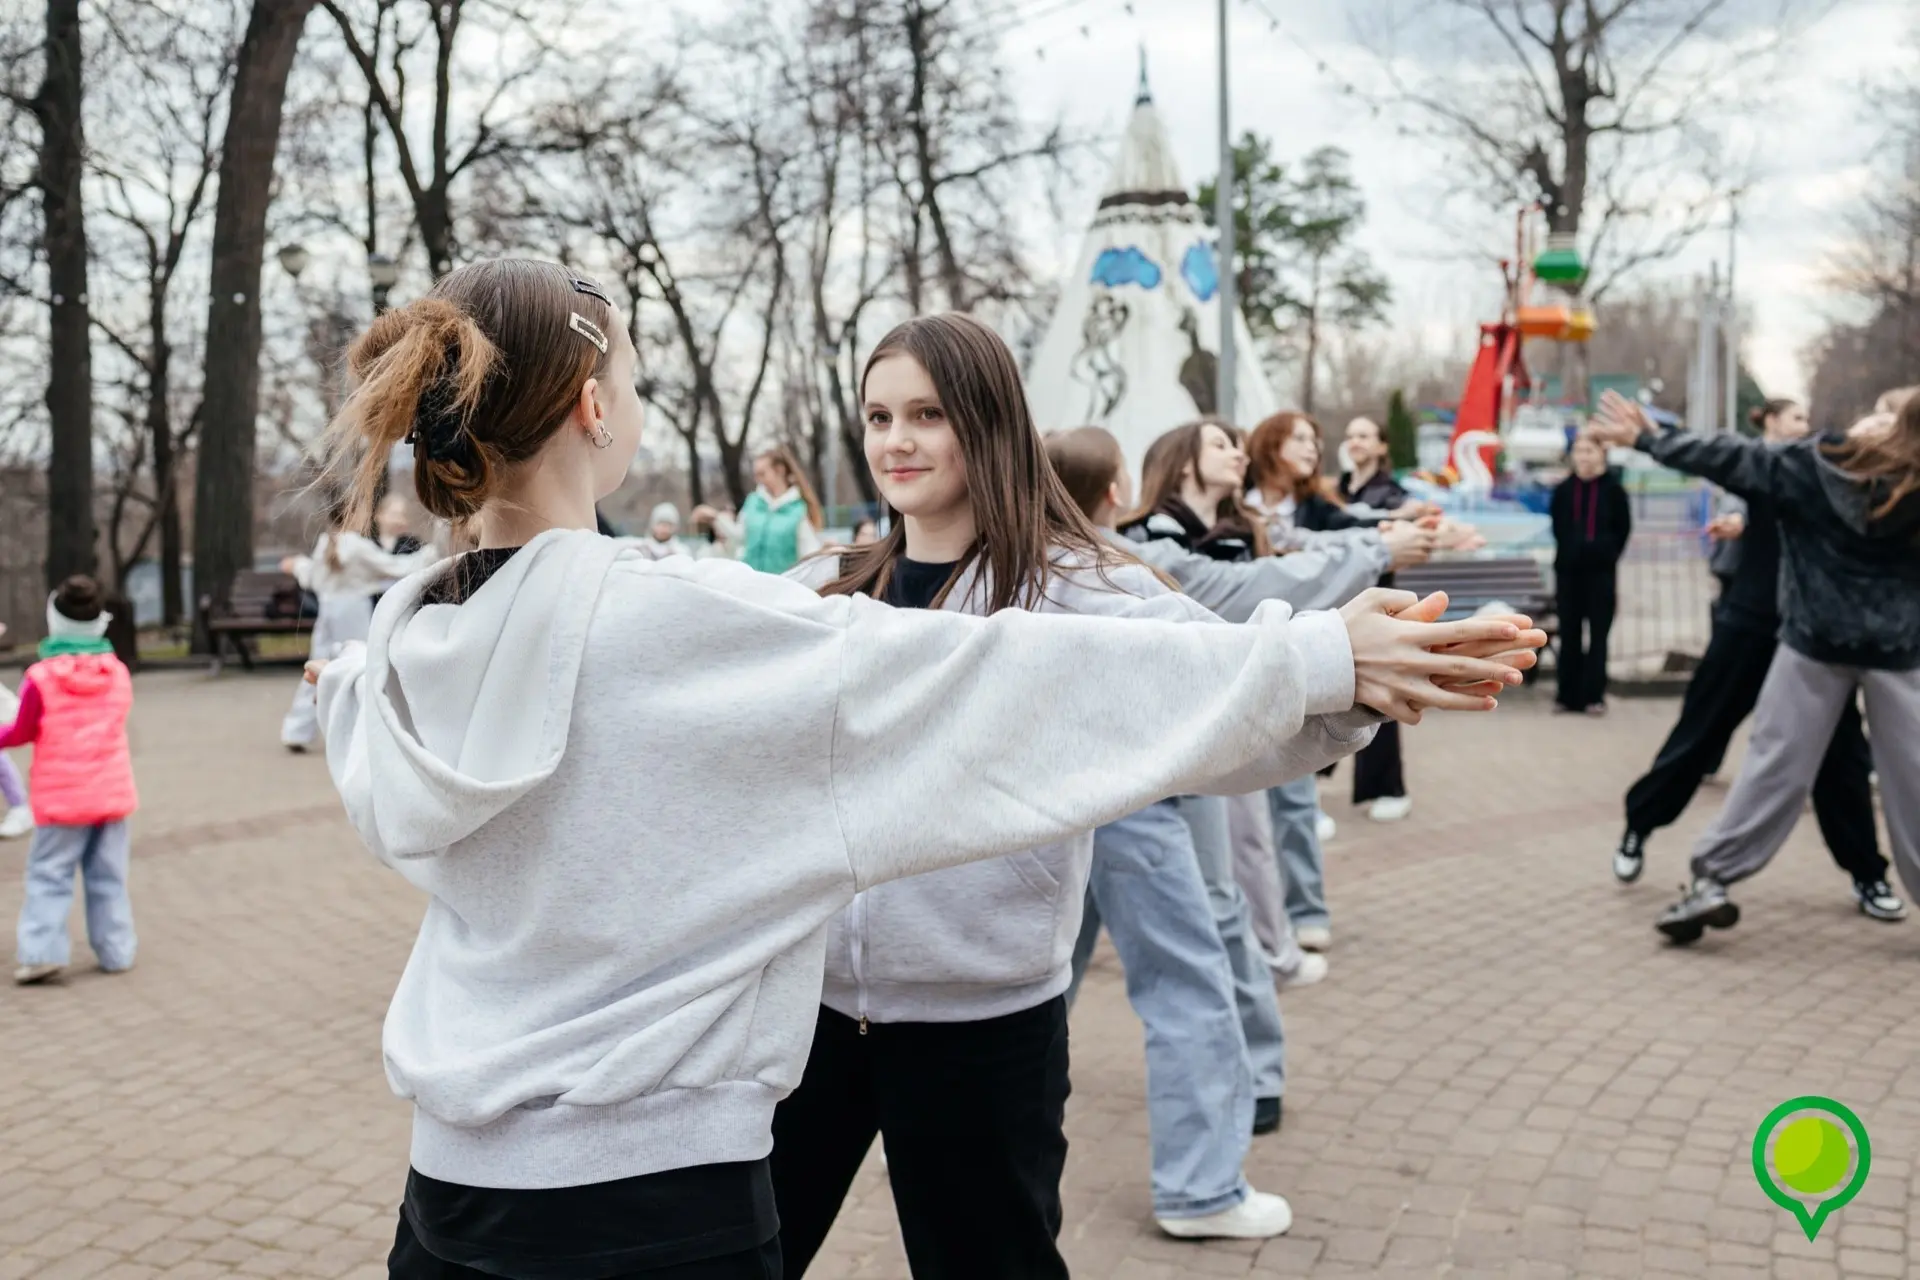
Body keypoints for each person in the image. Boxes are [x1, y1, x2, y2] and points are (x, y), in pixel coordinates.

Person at [304, 260, 1538, 1278]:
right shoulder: (727, 621)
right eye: (631, 376)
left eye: (925, 413)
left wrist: (1315, 668)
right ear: (588, 406)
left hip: (455, 1189)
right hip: (654, 1191)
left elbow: (1087, 674)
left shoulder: (412, 632)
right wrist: (1320, 660)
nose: (895, 439)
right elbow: (1002, 693)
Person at [1587, 390, 1920, 944]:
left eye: (1884, 413)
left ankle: (1712, 877)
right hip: (1893, 651)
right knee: (1902, 775)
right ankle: (1715, 878)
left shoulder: (1813, 467)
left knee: (1776, 763)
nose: (1871, 417)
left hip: (1815, 644)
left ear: (1889, 431)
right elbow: (1733, 457)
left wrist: (1652, 438)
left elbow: (1730, 456)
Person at [4, 577, 139, 984]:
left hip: (62, 800)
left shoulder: (40, 678)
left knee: (49, 874)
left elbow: (23, 730)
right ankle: (117, 950)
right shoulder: (117, 672)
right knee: (109, 876)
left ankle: (42, 952)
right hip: (112, 794)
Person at [279, 495, 438, 752]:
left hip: (328, 611)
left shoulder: (325, 543)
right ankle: (363, 730)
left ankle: (296, 730)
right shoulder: (357, 546)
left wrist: (297, 565)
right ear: (354, 515)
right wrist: (432, 552)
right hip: (353, 612)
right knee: (363, 666)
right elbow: (395, 566)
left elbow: (312, 579)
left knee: (316, 667)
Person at [1549, 431, 1632, 715]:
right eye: (1579, 451)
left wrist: (1606, 554)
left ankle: (1594, 695)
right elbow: (1558, 527)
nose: (1584, 457)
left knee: (1598, 636)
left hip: (1601, 575)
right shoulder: (1563, 491)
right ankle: (1566, 695)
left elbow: (1623, 529)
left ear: (1601, 455)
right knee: (1569, 634)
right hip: (1569, 574)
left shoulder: (1614, 490)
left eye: (1589, 451)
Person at [699, 446, 824, 573]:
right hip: (751, 583)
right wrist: (715, 517)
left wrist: (826, 555)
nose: (758, 480)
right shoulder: (752, 502)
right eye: (756, 475)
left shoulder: (798, 510)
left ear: (780, 471)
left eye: (762, 474)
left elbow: (809, 552)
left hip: (782, 585)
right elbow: (739, 535)